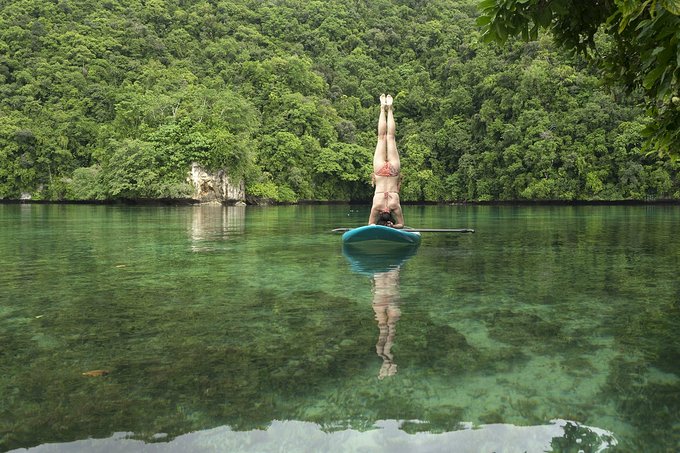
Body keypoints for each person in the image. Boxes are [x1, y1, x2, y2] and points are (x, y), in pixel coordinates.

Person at [368, 94, 405, 228]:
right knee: (384, 137)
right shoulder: (377, 207)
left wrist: (393, 226)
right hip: (380, 172)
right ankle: (385, 108)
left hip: (393, 172)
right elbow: (371, 224)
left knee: (388, 137)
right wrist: (392, 226)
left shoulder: (395, 206)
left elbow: (401, 224)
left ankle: (387, 108)